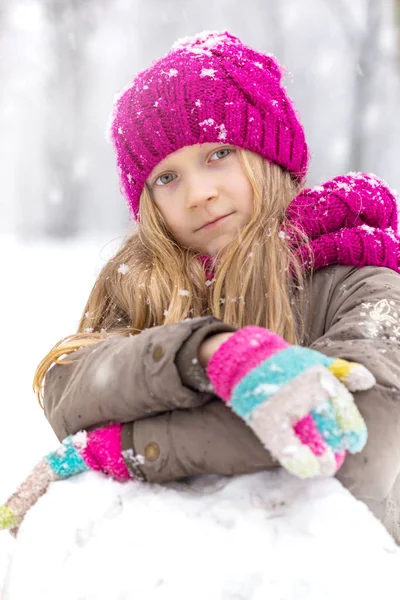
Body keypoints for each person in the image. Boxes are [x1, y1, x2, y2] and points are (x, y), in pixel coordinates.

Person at [26, 30, 400, 541]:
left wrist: (131, 446)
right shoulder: (143, 284)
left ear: (271, 153)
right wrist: (202, 355)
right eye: (166, 178)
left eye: (219, 153)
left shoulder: (360, 274)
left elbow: (360, 432)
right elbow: (69, 385)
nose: (199, 194)